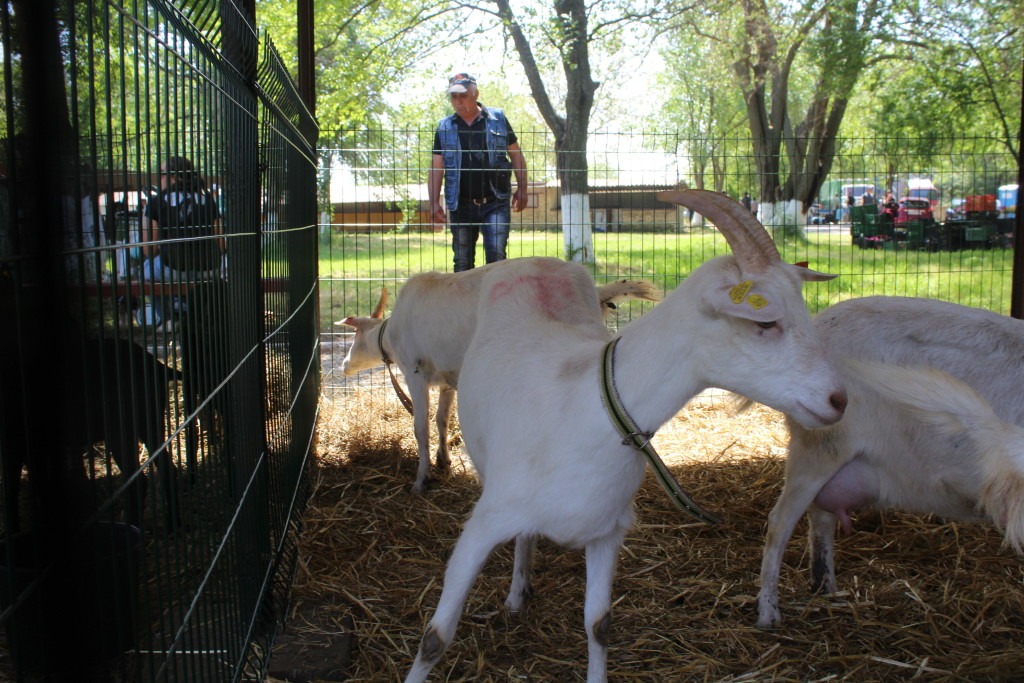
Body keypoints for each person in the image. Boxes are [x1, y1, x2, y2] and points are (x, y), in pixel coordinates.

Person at [429, 72, 528, 272]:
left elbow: (516, 154)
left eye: (462, 95)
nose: (458, 101)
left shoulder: (497, 118)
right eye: (453, 96)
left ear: (475, 94)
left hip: (495, 202)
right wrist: (433, 203)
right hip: (460, 205)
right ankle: (465, 304)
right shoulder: (444, 127)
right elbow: (436, 167)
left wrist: (523, 189)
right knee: (463, 263)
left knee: (497, 259)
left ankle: (495, 304)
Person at [140, 156, 223, 329]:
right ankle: (196, 315)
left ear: (174, 177)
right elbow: (221, 244)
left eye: (161, 174)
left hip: (174, 268)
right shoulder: (209, 202)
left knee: (146, 270)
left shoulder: (156, 203)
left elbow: (148, 249)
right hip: (209, 268)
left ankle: (169, 317)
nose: (158, 178)